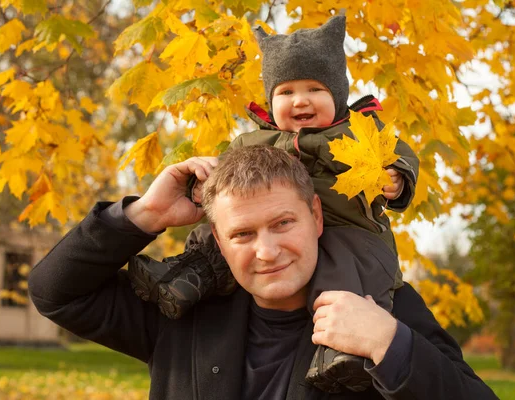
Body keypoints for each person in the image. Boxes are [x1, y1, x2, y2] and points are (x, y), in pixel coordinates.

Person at [28, 145, 498, 400]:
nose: (267, 251)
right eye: (242, 234)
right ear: (218, 238)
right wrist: (145, 214)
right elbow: (56, 293)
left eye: (283, 224)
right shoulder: (183, 311)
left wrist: (390, 345)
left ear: (315, 216)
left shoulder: (383, 305)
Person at [128, 14, 419, 393]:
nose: (300, 100)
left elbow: (399, 155)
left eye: (314, 89)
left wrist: (396, 177)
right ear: (270, 100)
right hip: (279, 229)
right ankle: (183, 280)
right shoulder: (254, 141)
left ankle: (338, 351)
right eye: (285, 92)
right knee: (214, 236)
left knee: (343, 275)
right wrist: (204, 182)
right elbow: (228, 178)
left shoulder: (360, 130)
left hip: (350, 231)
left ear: (338, 94)